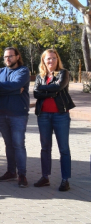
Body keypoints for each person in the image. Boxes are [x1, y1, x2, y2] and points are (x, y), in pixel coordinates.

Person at [33, 49, 75, 191]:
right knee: (45, 148)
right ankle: (45, 177)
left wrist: (44, 90)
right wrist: (51, 91)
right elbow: (35, 93)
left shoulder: (64, 73)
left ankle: (65, 179)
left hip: (60, 115)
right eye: (48, 59)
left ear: (57, 60)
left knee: (63, 149)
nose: (51, 61)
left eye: (54, 58)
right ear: (43, 61)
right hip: (43, 115)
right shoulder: (40, 76)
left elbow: (59, 86)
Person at [0, 47, 30, 188]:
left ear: (17, 56)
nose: (7, 59)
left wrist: (13, 87)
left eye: (10, 56)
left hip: (18, 114)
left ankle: (22, 175)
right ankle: (11, 172)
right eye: (5, 57)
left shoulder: (23, 71)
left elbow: (16, 84)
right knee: (8, 145)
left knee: (18, 145)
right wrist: (15, 90)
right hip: (2, 113)